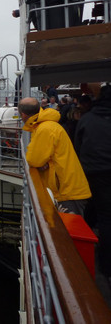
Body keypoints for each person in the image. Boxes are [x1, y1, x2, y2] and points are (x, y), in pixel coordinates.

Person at [19, 97, 91, 216]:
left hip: (66, 191)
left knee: (69, 231)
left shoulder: (44, 129)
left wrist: (42, 163)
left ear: (23, 114)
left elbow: (33, 159)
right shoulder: (48, 125)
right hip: (68, 187)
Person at [75, 85, 111, 279]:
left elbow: (78, 145)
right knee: (105, 216)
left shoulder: (87, 119)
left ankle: (102, 262)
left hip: (94, 172)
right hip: (100, 169)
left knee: (100, 212)